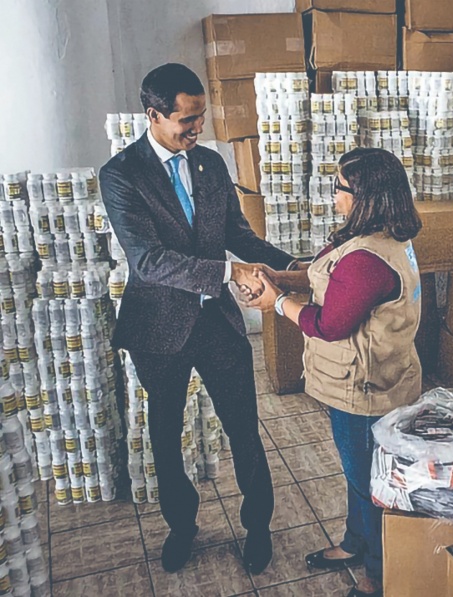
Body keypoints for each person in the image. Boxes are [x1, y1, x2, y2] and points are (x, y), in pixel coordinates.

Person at [99, 63, 298, 574]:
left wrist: (295, 267)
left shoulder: (209, 164)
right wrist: (230, 271)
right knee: (165, 435)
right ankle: (182, 527)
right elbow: (148, 261)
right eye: (187, 120)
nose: (198, 129)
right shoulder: (121, 175)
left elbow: (241, 236)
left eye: (201, 116)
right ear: (154, 115)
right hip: (159, 327)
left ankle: (257, 526)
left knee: (245, 430)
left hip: (216, 324)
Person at [245, 148, 423, 597]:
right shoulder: (372, 239)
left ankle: (377, 578)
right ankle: (354, 543)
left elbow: (329, 324)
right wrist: (284, 278)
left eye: (340, 188)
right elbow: (333, 280)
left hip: (365, 391)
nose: (335, 195)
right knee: (357, 474)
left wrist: (277, 304)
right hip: (373, 379)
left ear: (364, 197)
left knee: (370, 485)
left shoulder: (370, 258)